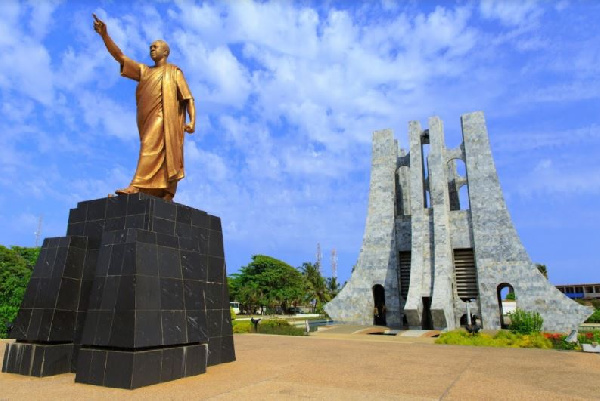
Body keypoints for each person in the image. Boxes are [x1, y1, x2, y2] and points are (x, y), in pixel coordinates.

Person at [93, 14, 195, 201]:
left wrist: (192, 122)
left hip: (165, 119)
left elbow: (188, 98)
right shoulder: (145, 71)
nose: (151, 50)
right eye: (150, 48)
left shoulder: (174, 72)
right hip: (146, 119)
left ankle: (137, 185)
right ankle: (158, 190)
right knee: (148, 145)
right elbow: (120, 57)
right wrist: (105, 36)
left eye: (155, 47)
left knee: (149, 146)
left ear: (165, 52)